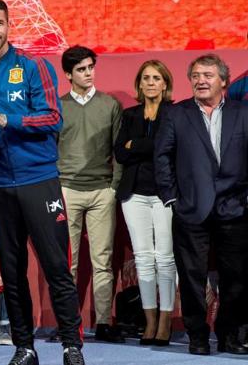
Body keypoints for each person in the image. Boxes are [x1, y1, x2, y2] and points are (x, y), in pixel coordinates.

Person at [0, 0, 85, 365]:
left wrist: (7, 119)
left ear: (9, 25)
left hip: (39, 180)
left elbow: (52, 118)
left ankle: (71, 345)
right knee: (12, 272)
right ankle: (24, 346)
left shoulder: (35, 66)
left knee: (56, 266)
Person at [155, 53, 248, 356]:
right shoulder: (176, 114)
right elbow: (162, 158)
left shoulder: (243, 112)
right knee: (192, 278)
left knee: (235, 279)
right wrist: (171, 197)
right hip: (191, 209)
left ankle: (229, 334)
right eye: (195, 75)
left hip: (235, 208)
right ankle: (197, 336)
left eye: (208, 75)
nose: (200, 80)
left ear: (224, 80)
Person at [57, 45, 123, 343]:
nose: (88, 73)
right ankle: (67, 325)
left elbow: (119, 151)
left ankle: (105, 322)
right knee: (65, 263)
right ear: (68, 74)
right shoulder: (57, 106)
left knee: (102, 260)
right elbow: (50, 150)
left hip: (101, 192)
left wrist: (114, 187)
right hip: (67, 189)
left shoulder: (110, 105)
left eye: (90, 67)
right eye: (81, 69)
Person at [114, 60, 176, 346]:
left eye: (156, 78)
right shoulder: (129, 115)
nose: (150, 82)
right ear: (139, 84)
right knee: (143, 258)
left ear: (165, 83)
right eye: (146, 78)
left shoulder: (175, 114)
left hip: (165, 194)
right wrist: (142, 148)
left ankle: (166, 320)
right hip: (134, 194)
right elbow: (120, 153)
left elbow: (169, 148)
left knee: (165, 258)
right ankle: (149, 320)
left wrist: (135, 145)